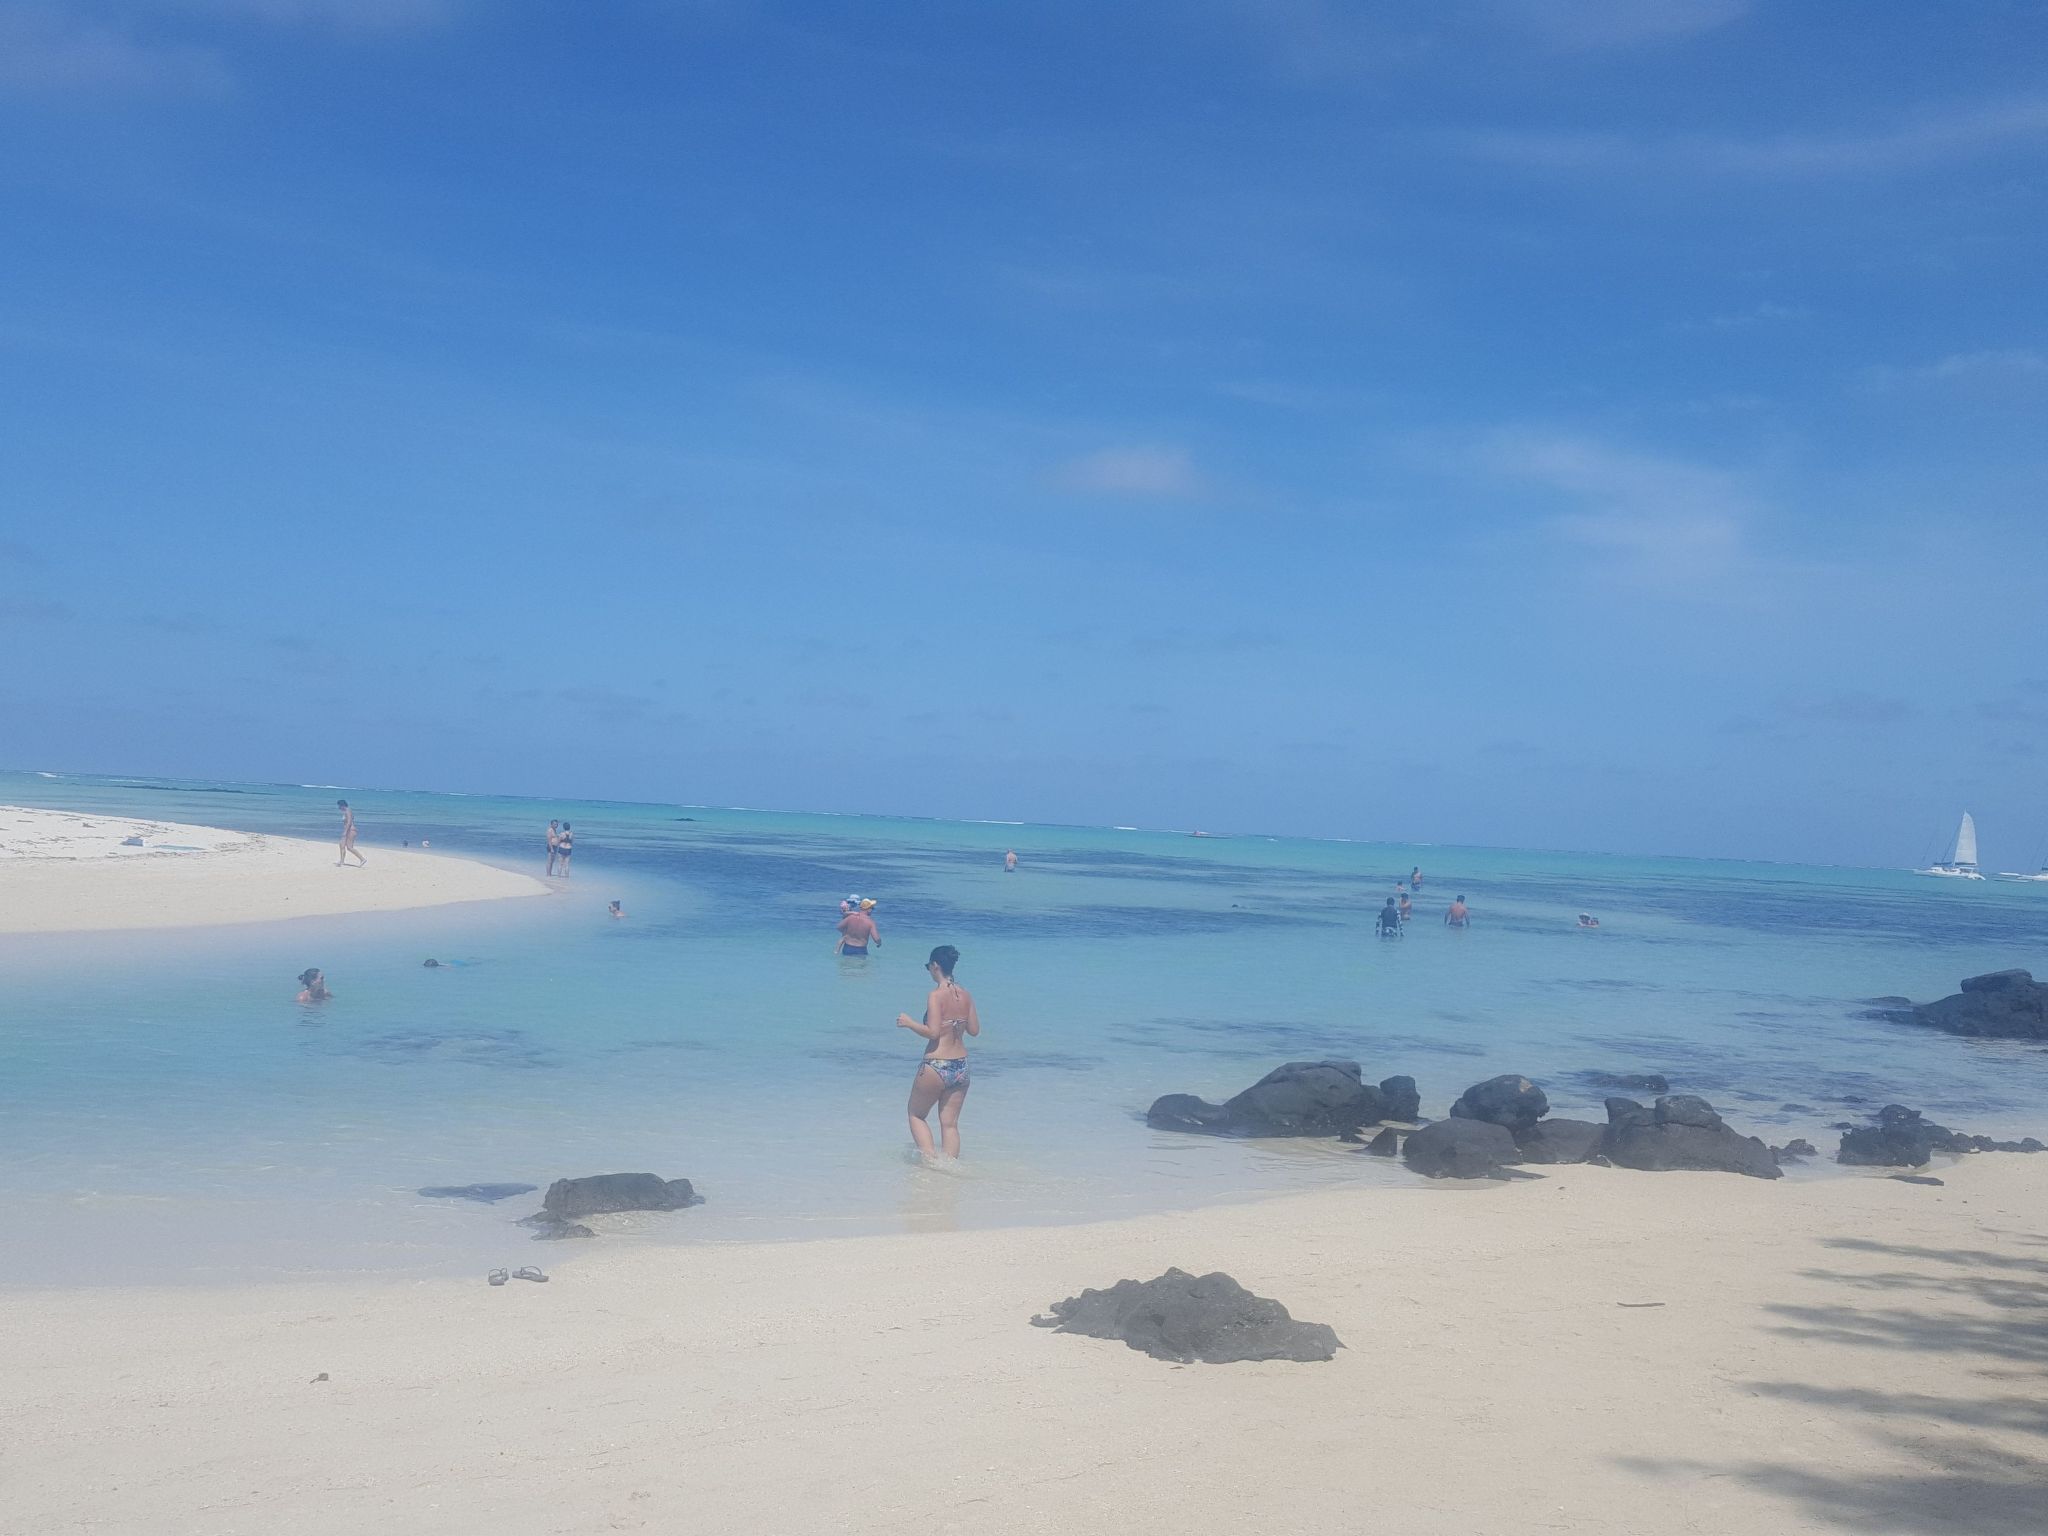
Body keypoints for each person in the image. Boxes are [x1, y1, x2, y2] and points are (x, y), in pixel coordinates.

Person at [896, 944, 979, 1158]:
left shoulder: (936, 995)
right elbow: (974, 1030)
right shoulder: (966, 994)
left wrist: (909, 1023)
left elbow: (932, 1033)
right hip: (961, 1065)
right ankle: (949, 1171)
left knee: (916, 1114)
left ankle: (930, 1163)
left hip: (937, 1064)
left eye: (928, 967)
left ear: (935, 966)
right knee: (950, 1124)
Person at [336, 800, 365, 867]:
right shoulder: (345, 811)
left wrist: (345, 832)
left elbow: (349, 822)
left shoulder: (348, 811)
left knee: (349, 847)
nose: (339, 807)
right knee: (341, 845)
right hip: (347, 830)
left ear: (342, 805)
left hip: (351, 831)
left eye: (339, 806)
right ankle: (342, 861)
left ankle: (362, 859)